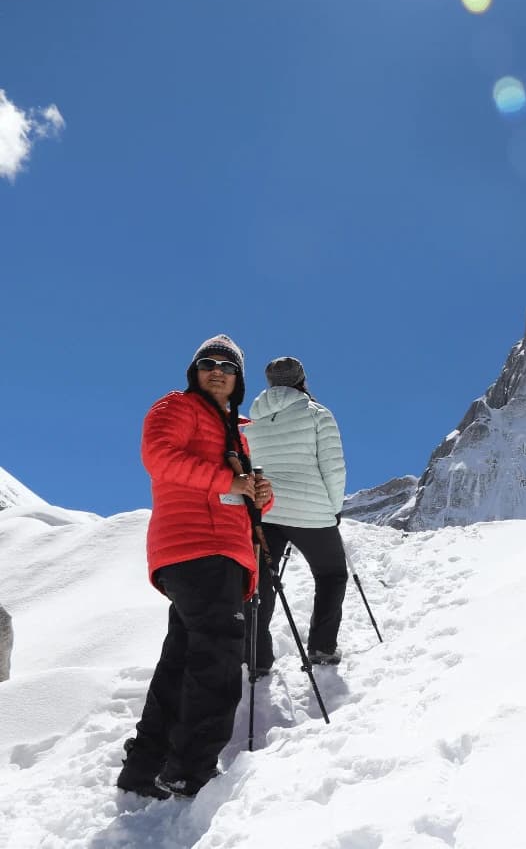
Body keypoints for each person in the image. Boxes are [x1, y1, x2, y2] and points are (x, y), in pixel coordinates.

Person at [117, 335, 273, 800]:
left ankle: (146, 768)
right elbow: (160, 459)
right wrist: (230, 480)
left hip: (219, 551)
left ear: (239, 378)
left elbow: (242, 494)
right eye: (208, 363)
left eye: (228, 365)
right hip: (196, 546)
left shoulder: (236, 429)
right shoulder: (177, 407)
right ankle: (191, 769)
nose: (217, 370)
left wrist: (261, 493)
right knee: (220, 659)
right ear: (195, 372)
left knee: (183, 660)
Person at [243, 356, 348, 673]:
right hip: (311, 511)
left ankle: (256, 658)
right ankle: (321, 648)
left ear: (270, 383)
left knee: (260, 585)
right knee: (331, 575)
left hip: (266, 509)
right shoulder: (317, 413)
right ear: (302, 379)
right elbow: (332, 465)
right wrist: (334, 509)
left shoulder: (253, 418)